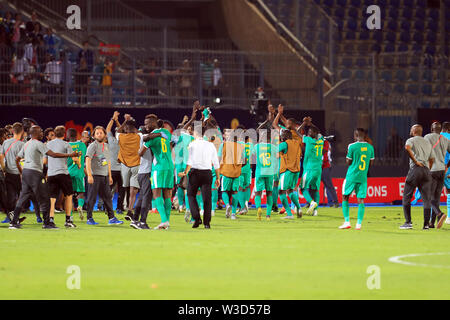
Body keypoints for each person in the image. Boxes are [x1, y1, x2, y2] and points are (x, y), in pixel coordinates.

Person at [9, 125, 78, 229]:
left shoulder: (26, 144)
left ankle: (13, 223)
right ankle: (47, 223)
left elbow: (17, 159)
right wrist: (70, 155)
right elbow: (53, 155)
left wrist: (21, 171)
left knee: (22, 198)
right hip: (35, 173)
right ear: (36, 133)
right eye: (41, 131)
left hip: (26, 173)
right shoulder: (38, 144)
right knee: (45, 197)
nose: (42, 133)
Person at [178, 126, 220, 229]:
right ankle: (207, 223)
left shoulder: (192, 144)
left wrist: (185, 172)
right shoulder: (211, 145)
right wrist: (218, 178)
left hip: (195, 173)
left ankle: (196, 218)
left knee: (191, 195)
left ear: (195, 134)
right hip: (207, 173)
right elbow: (216, 163)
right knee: (207, 199)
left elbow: (190, 161)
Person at [85, 126, 123, 226]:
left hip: (104, 176)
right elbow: (87, 160)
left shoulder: (106, 146)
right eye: (97, 133)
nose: (99, 135)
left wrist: (109, 176)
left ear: (105, 135)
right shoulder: (92, 146)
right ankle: (89, 218)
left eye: (101, 133)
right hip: (95, 176)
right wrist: (89, 175)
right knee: (91, 198)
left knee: (108, 197)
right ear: (93, 136)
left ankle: (112, 218)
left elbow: (107, 162)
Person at [400, 124, 435, 230]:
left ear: (414, 131)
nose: (410, 130)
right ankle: (426, 225)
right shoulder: (427, 142)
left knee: (407, 196)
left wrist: (415, 161)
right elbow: (432, 158)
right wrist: (428, 168)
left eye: (411, 129)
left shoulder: (411, 140)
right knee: (427, 199)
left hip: (415, 169)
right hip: (426, 171)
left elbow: (407, 148)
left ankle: (408, 222)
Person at [339, 128, 375, 230]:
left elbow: (348, 162)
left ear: (355, 135)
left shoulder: (352, 146)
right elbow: (371, 163)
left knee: (345, 197)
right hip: (362, 176)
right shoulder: (370, 147)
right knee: (361, 200)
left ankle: (347, 222)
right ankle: (358, 224)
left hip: (351, 176)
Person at [143, 118, 174, 230]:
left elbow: (140, 153)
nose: (146, 125)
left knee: (156, 194)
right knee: (167, 195)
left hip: (158, 167)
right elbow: (173, 142)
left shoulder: (151, 138)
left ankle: (164, 221)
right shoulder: (166, 132)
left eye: (147, 123)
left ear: (153, 123)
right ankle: (166, 222)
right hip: (170, 166)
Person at [45, 126, 77, 228]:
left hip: (51, 174)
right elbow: (74, 158)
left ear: (54, 133)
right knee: (69, 196)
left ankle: (50, 220)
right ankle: (68, 220)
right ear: (64, 135)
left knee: (52, 198)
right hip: (63, 173)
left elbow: (44, 161)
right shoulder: (66, 144)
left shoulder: (48, 144)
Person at [132, 114, 159, 230]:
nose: (145, 125)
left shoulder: (141, 136)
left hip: (142, 171)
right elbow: (151, 136)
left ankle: (134, 220)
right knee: (146, 198)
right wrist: (160, 133)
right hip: (147, 171)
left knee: (142, 197)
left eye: (147, 123)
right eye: (145, 124)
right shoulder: (142, 137)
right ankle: (142, 222)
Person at [116, 114, 142, 221]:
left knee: (126, 188)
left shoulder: (121, 136)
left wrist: (124, 121)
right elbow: (139, 132)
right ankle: (130, 210)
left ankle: (128, 208)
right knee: (133, 190)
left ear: (126, 128)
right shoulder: (139, 136)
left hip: (125, 166)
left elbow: (118, 131)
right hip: (136, 164)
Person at [424, 122, 449, 228]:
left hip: (432, 170)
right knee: (436, 197)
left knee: (427, 196)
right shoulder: (446, 140)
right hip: (442, 170)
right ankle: (432, 223)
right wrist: (447, 165)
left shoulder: (427, 137)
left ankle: (440, 213)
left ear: (431, 128)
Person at [0, 122, 27, 223]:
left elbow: (1, 156)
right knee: (23, 196)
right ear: (22, 131)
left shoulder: (6, 142)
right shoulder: (22, 145)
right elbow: (23, 161)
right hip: (19, 174)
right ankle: (15, 217)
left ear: (13, 131)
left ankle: (13, 217)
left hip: (8, 174)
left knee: (11, 196)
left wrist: (4, 169)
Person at [298, 117, 324, 216]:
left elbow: (297, 131)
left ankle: (311, 202)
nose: (308, 133)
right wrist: (311, 124)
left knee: (303, 188)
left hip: (309, 168)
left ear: (313, 134)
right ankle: (315, 211)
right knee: (315, 189)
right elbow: (319, 131)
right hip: (318, 169)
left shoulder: (308, 140)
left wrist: (304, 123)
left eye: (310, 131)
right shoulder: (321, 140)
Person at [218, 129, 245, 220]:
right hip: (237, 173)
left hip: (226, 171)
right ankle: (233, 214)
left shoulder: (224, 145)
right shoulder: (241, 147)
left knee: (224, 191)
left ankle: (227, 205)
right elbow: (244, 160)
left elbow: (218, 158)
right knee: (235, 192)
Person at [251, 129, 277, 221]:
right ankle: (268, 215)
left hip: (260, 172)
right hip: (270, 172)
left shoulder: (257, 146)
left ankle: (258, 208)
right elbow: (277, 156)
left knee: (258, 192)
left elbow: (252, 155)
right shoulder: (273, 147)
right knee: (269, 193)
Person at [106, 111, 125, 214]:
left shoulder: (112, 140)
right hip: (120, 169)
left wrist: (114, 119)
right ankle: (118, 208)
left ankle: (109, 208)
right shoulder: (123, 140)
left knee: (110, 190)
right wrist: (116, 121)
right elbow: (121, 129)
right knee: (121, 190)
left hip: (115, 169)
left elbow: (108, 129)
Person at [66, 128, 87, 221]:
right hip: (79, 173)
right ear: (77, 136)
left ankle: (70, 215)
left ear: (67, 136)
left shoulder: (65, 146)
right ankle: (80, 206)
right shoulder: (82, 145)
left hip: (68, 172)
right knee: (81, 193)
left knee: (69, 195)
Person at [237, 127, 253, 215]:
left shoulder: (237, 144)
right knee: (247, 187)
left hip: (239, 168)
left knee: (239, 187)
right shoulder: (251, 145)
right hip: (248, 169)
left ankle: (242, 206)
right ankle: (246, 202)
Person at [321, 138, 339, 207]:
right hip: (317, 167)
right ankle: (310, 203)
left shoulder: (326, 142)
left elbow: (324, 151)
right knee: (312, 185)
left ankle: (334, 202)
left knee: (329, 185)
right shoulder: (315, 142)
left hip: (325, 166)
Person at [441, 122, 450, 225]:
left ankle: (432, 218)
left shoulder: (436, 137)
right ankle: (449, 217)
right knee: (449, 191)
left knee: (434, 194)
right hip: (447, 168)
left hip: (435, 168)